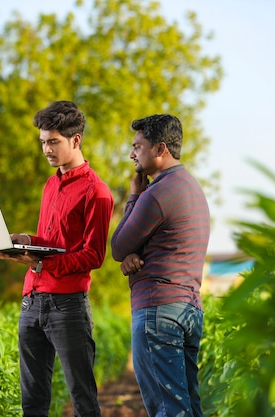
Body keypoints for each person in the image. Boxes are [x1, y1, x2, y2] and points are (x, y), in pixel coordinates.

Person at [0, 100, 114, 417]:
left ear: (76, 140)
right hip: (31, 301)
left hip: (68, 305)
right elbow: (53, 242)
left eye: (53, 142)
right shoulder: (50, 184)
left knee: (83, 401)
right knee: (32, 402)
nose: (46, 149)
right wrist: (26, 242)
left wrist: (40, 262)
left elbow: (93, 255)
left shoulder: (97, 192)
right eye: (43, 142)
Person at [110, 114, 210, 417]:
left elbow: (117, 246)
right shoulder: (191, 188)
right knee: (188, 407)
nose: (132, 154)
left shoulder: (156, 193)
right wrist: (133, 255)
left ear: (160, 149)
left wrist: (134, 196)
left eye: (138, 146)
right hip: (188, 309)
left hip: (158, 312)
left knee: (168, 410)